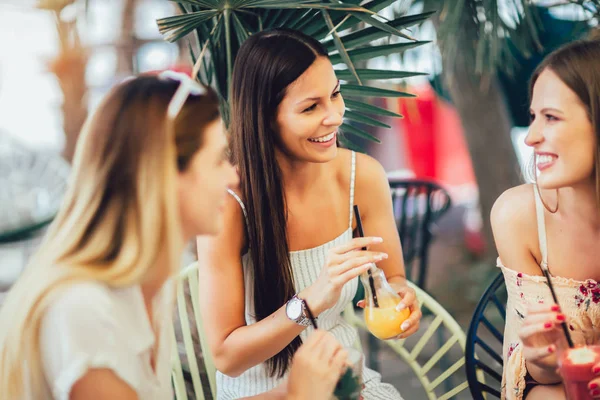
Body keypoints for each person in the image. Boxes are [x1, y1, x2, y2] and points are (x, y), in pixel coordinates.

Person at [0, 72, 348, 400]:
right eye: (216, 161)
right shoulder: (84, 311)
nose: (232, 177)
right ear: (163, 178)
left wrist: (288, 393)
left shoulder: (145, 288)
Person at [197, 28, 422, 400]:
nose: (334, 116)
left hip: (350, 386)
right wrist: (310, 302)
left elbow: (393, 277)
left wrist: (400, 300)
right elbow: (227, 356)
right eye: (310, 107)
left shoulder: (361, 178)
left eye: (335, 94)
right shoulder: (228, 204)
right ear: (266, 118)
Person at [492, 36, 600, 400]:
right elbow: (545, 377)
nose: (532, 137)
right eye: (533, 117)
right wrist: (545, 355)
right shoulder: (519, 217)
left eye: (551, 117)